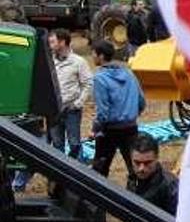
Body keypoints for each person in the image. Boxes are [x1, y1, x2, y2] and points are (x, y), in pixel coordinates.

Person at [91, 39, 146, 177]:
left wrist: (96, 128)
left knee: (100, 169)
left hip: (109, 130)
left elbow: (103, 110)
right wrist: (131, 114)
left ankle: (98, 196)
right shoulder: (129, 74)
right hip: (130, 128)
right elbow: (141, 101)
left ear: (101, 56)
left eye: (93, 53)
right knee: (136, 167)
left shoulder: (100, 79)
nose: (92, 56)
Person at [48, 29, 92, 161]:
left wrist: (78, 104)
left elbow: (88, 84)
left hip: (71, 110)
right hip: (54, 111)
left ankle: (77, 173)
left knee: (74, 144)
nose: (50, 45)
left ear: (62, 42)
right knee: (56, 144)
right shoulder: (49, 62)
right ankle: (57, 176)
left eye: (52, 42)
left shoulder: (78, 62)